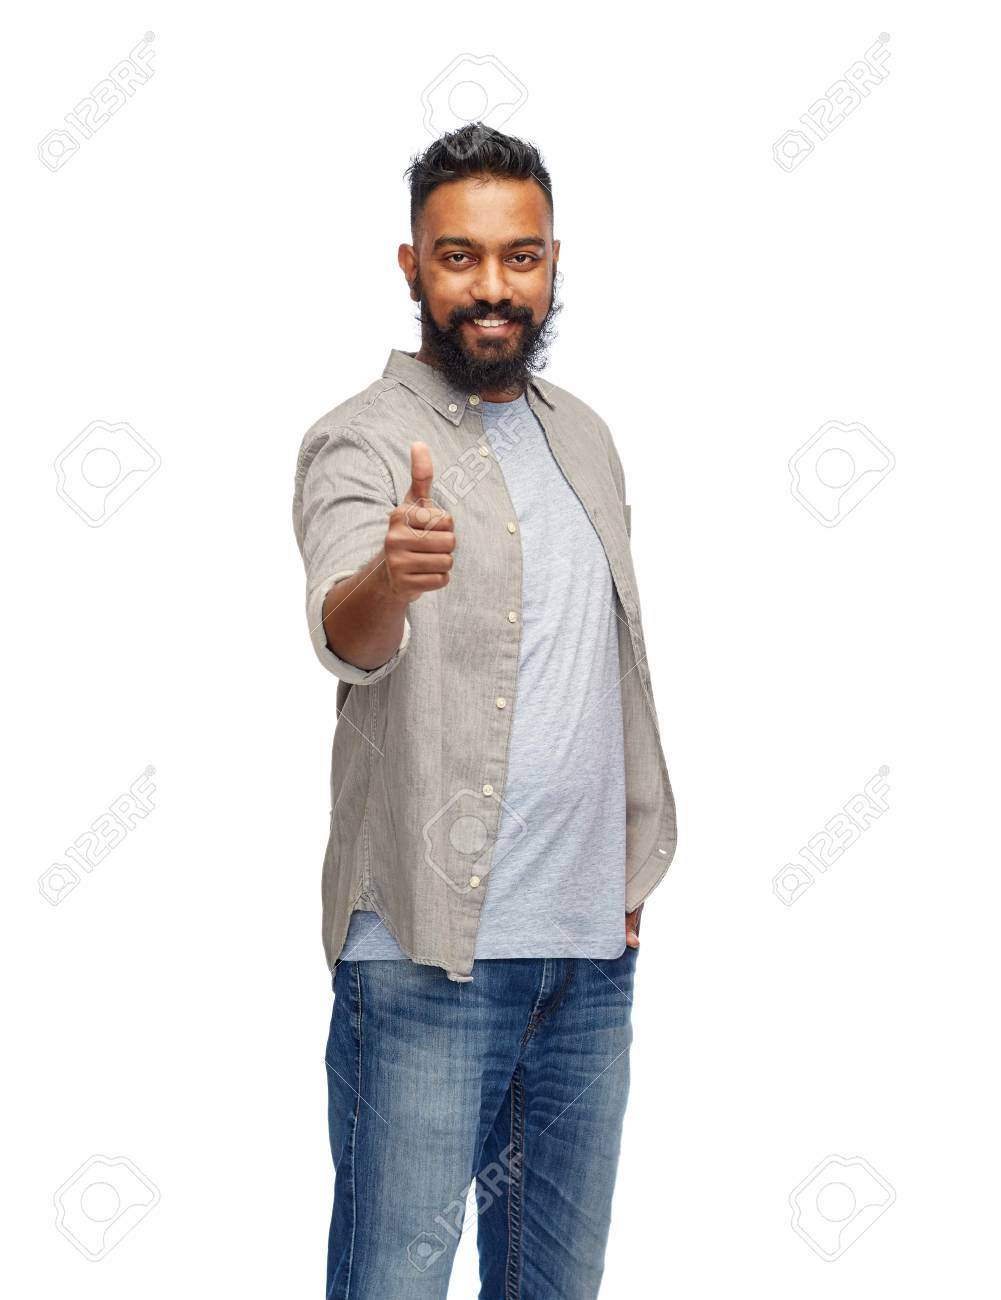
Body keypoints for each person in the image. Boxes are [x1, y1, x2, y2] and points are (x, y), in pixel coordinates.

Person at [292, 121, 677, 1299]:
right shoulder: (360, 437)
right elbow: (344, 632)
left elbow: (603, 666)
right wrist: (388, 581)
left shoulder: (587, 439)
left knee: (554, 1287)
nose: (491, 288)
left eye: (518, 257)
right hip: (422, 963)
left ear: (553, 261)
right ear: (411, 266)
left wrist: (620, 872)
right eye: (458, 258)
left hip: (584, 965)